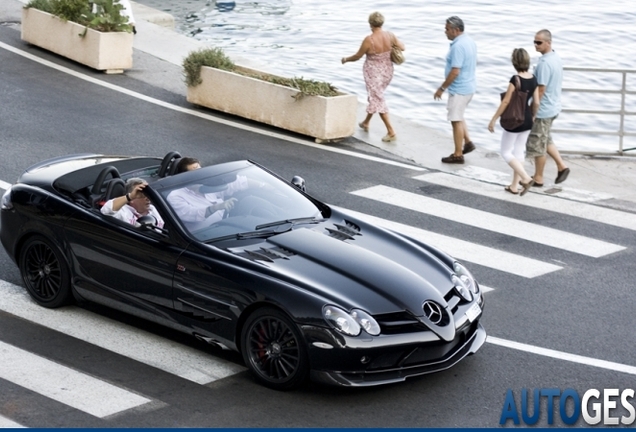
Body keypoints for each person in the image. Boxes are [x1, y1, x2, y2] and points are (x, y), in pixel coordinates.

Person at [341, 11, 404, 142]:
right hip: (387, 72)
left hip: (373, 74)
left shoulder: (369, 40)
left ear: (370, 24)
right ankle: (366, 122)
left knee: (378, 99)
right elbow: (402, 47)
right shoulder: (390, 35)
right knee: (377, 96)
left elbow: (357, 56)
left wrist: (346, 59)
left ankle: (391, 131)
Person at [488, 48, 539, 196]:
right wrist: (533, 116)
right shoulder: (534, 79)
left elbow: (506, 102)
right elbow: (536, 102)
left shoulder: (515, 79)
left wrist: (493, 119)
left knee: (505, 152)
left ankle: (526, 178)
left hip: (515, 120)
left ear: (514, 62)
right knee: (518, 151)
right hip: (528, 119)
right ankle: (514, 186)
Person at [526, 29, 570, 186]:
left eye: (539, 42)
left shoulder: (544, 63)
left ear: (548, 42)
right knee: (545, 138)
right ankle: (562, 166)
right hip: (554, 106)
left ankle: (538, 178)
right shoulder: (556, 58)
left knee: (538, 144)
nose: (536, 45)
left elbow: (541, 89)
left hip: (544, 110)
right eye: (534, 42)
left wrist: (532, 109)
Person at [434, 16, 477, 164]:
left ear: (456, 30)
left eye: (447, 29)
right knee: (459, 115)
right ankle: (468, 142)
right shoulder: (469, 41)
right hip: (469, 86)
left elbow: (455, 71)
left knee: (455, 120)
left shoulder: (458, 46)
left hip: (459, 88)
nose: (445, 32)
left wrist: (442, 88)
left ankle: (458, 154)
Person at [100, 178, 165, 228]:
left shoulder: (154, 208)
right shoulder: (124, 212)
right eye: (142, 195)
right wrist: (130, 196)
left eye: (147, 194)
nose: (148, 198)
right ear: (132, 199)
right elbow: (106, 210)